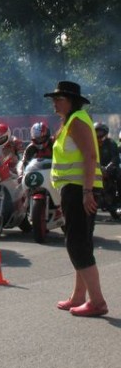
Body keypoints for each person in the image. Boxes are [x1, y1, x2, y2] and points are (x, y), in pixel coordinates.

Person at [45, 81, 108, 317]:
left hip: (79, 189)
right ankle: (79, 296)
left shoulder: (77, 120)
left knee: (77, 244)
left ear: (71, 100)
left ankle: (97, 301)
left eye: (59, 98)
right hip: (73, 189)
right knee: (80, 241)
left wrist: (87, 192)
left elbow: (91, 156)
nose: (54, 101)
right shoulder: (71, 121)